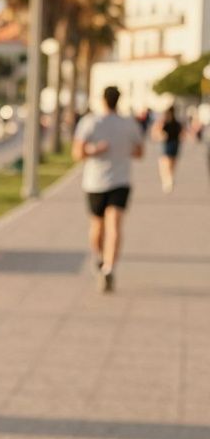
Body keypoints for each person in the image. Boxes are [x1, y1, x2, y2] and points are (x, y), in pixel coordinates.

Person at [72, 86, 144, 293]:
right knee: (110, 227)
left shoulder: (90, 122)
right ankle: (106, 264)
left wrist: (94, 150)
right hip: (114, 181)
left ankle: (104, 263)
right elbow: (139, 152)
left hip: (101, 182)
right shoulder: (129, 123)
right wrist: (121, 150)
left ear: (102, 100)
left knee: (102, 226)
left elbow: (77, 154)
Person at [156, 107, 184, 193]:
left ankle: (168, 180)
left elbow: (158, 131)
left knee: (165, 164)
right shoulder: (177, 123)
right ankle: (169, 178)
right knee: (171, 163)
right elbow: (182, 134)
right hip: (175, 144)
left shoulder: (165, 122)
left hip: (168, 144)